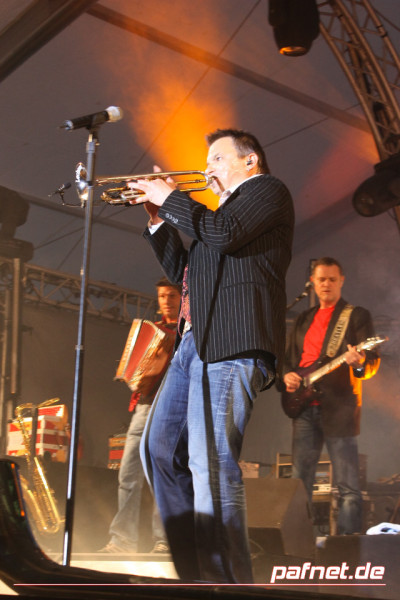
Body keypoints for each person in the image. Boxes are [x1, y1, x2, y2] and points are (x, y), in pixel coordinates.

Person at [132, 128, 294, 583]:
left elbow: (225, 234)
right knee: (157, 450)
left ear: (250, 161)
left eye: (218, 159)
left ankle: (227, 583)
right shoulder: (214, 219)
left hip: (232, 342)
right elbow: (185, 273)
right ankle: (196, 573)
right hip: (193, 343)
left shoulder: (267, 192)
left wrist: (172, 198)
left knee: (211, 462)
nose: (207, 169)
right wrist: (158, 220)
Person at [282, 257, 381, 535]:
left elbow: (371, 361)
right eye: (321, 279)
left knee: (348, 485)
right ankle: (302, 543)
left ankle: (347, 546)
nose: (326, 284)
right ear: (312, 282)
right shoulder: (302, 319)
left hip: (339, 408)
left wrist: (359, 362)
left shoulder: (356, 316)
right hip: (303, 407)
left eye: (332, 279)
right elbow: (288, 360)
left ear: (341, 281)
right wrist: (287, 376)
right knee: (300, 482)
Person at [101, 277, 181, 554]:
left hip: (171, 408)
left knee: (163, 476)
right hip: (144, 407)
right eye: (162, 296)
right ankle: (123, 540)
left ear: (182, 298)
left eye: (172, 295)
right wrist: (137, 376)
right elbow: (136, 371)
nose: (167, 301)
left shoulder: (188, 333)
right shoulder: (153, 329)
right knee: (128, 474)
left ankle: (165, 541)